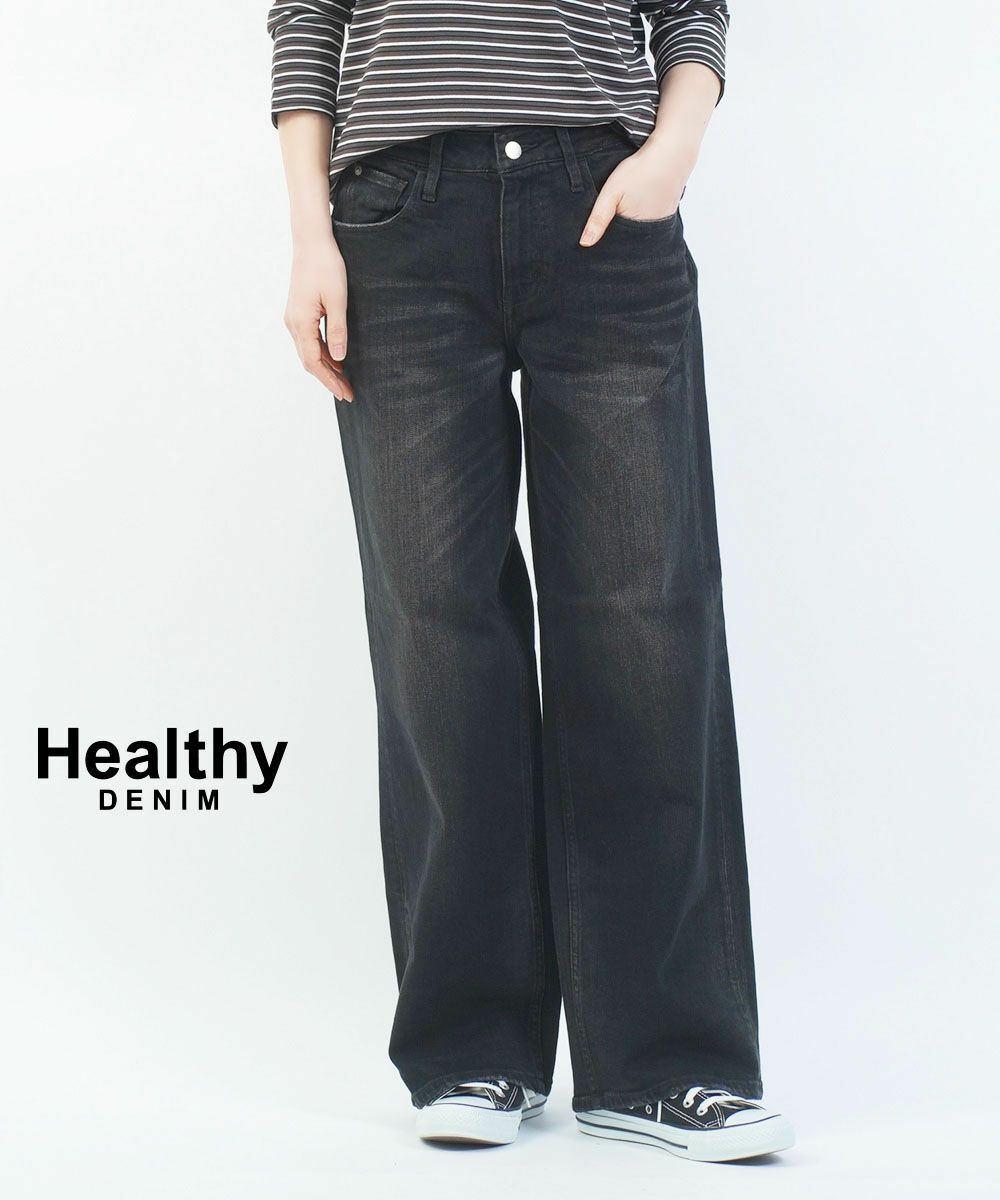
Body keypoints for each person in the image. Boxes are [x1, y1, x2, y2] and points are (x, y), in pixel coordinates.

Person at [266, 0, 793, 1161]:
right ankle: (471, 1048)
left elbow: (691, 9)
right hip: (396, 219)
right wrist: (310, 234)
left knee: (643, 625)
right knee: (436, 628)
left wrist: (670, 154)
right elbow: (307, 19)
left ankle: (665, 1062)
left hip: (599, 200)